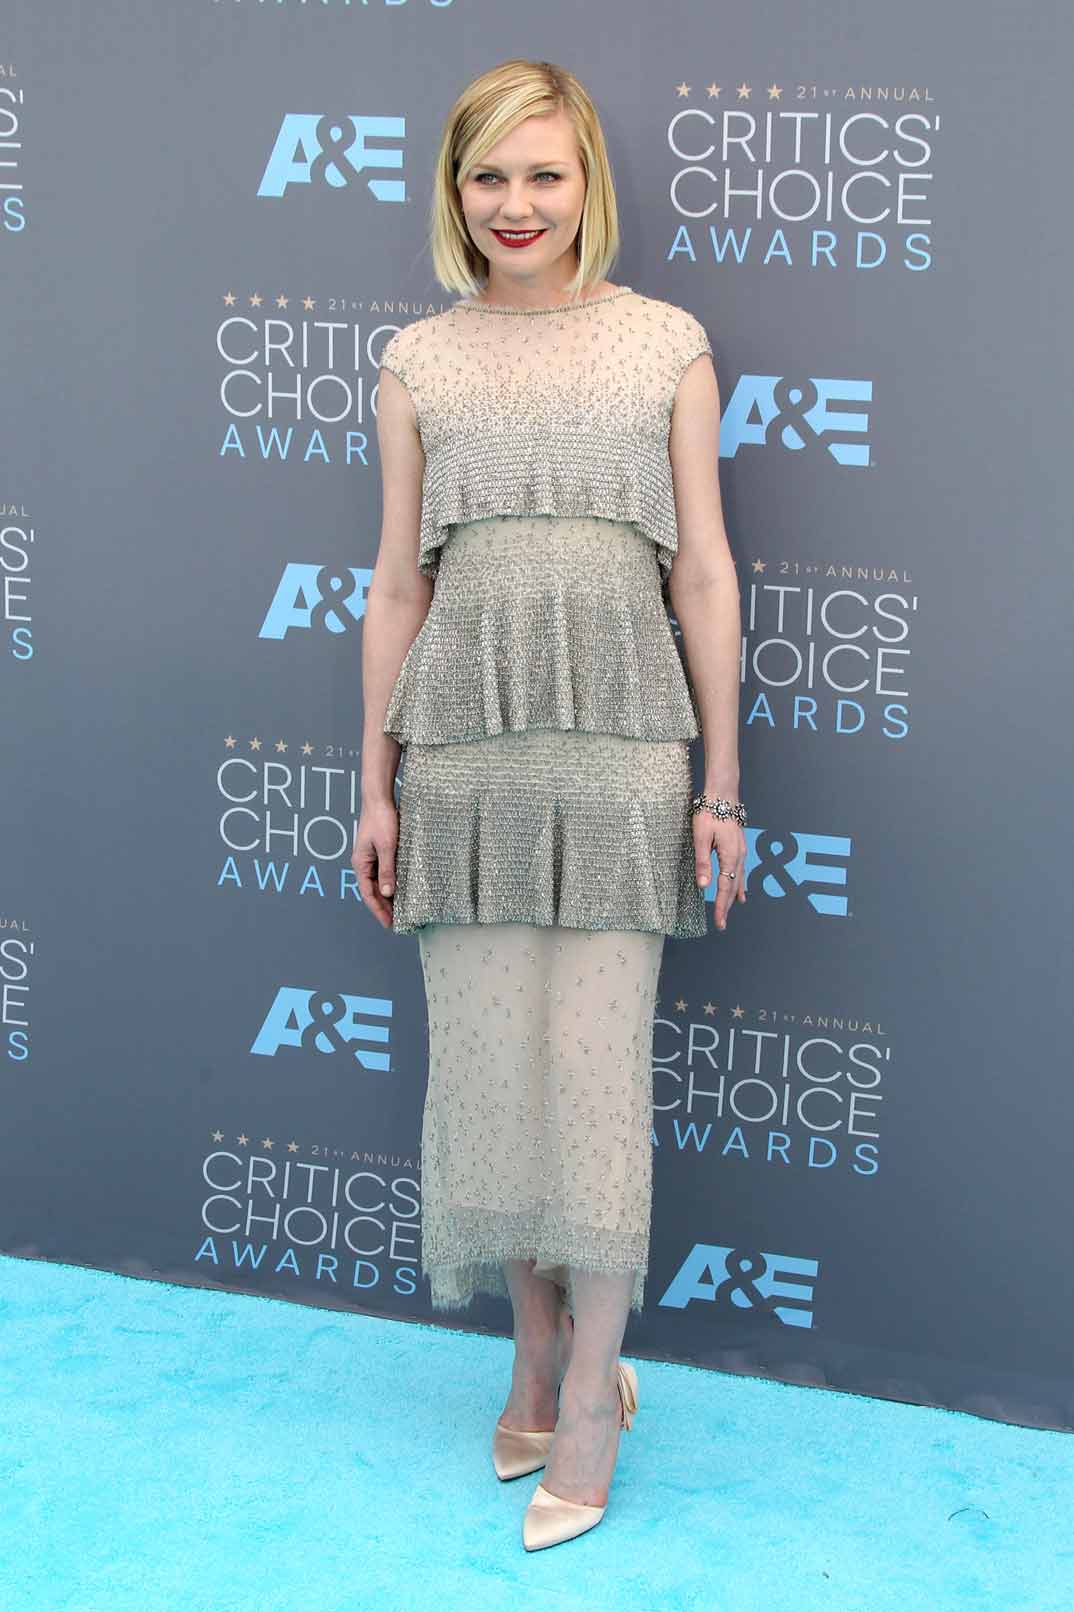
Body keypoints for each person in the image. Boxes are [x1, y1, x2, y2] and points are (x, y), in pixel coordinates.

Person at [354, 58, 746, 1551]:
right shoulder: (418, 363)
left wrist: (719, 784)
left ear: (589, 184)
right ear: (454, 192)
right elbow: (398, 586)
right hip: (464, 756)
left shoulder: (664, 346)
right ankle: (531, 1355)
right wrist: (374, 782)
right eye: (487, 177)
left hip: (624, 748)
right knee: (490, 1073)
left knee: (591, 1079)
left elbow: (701, 573)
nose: (516, 206)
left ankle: (592, 1396)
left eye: (544, 175)